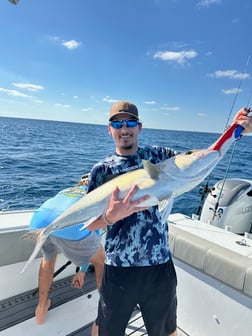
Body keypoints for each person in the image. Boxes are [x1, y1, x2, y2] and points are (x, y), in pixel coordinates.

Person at [85, 101, 252, 336]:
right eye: (117, 123)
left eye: (130, 122)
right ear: (109, 129)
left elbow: (201, 159)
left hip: (159, 266)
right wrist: (110, 217)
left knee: (165, 331)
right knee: (106, 330)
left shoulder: (160, 156)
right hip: (119, 268)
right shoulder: (101, 171)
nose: (125, 128)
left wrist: (236, 132)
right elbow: (89, 224)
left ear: (139, 127)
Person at [29, 179, 105, 336]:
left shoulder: (66, 191)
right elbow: (93, 234)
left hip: (39, 221)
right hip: (70, 228)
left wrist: (82, 271)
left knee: (48, 259)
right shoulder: (97, 194)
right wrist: (82, 270)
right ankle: (105, 311)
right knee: (101, 260)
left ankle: (41, 309)